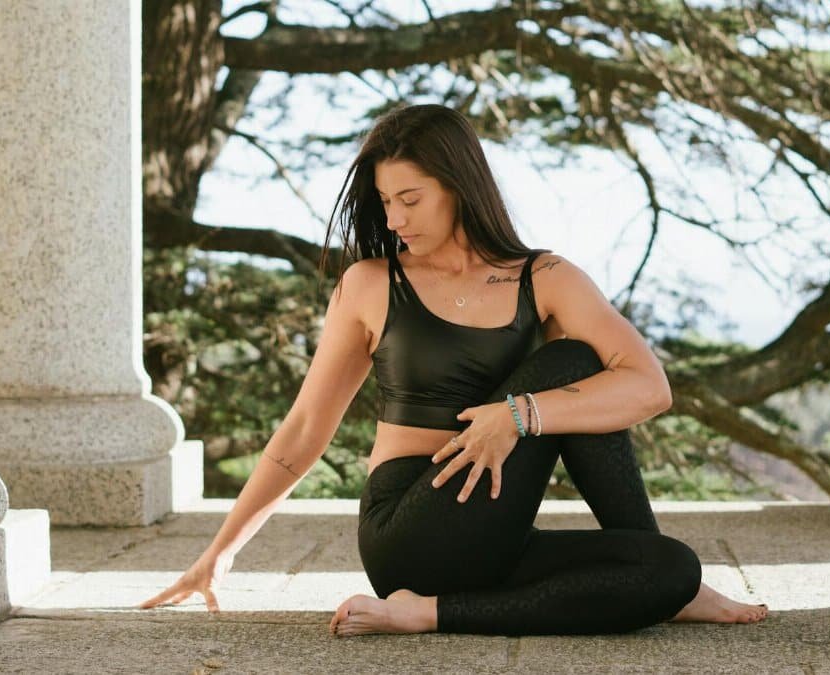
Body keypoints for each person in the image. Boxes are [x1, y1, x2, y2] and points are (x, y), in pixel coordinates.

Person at [138, 103, 769, 636]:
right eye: (386, 201)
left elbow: (648, 385)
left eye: (410, 199)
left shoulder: (543, 278)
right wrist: (219, 555)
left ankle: (433, 613)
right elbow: (305, 428)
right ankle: (421, 603)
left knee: (668, 568)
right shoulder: (371, 284)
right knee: (573, 361)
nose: (394, 221)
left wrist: (518, 417)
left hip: (493, 531)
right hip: (409, 527)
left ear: (458, 185)